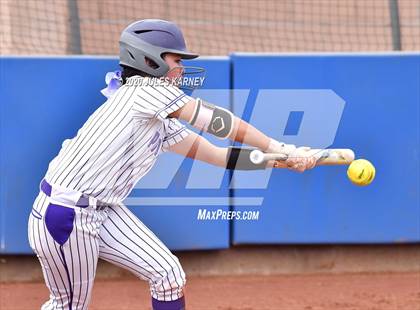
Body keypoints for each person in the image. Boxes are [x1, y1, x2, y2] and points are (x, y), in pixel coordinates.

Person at [28, 19, 316, 310]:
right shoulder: (146, 89)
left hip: (103, 211)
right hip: (65, 214)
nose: (181, 67)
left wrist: (281, 160)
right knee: (68, 307)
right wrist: (278, 145)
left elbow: (219, 155)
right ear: (148, 59)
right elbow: (220, 123)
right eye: (176, 59)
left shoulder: (156, 115)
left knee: (168, 275)